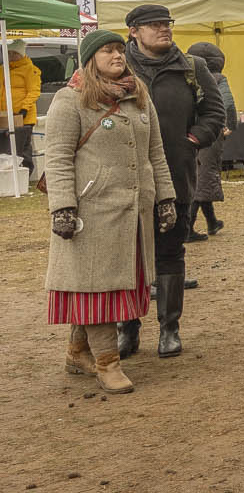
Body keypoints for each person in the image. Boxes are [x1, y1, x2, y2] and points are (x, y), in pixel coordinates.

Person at [43, 29, 178, 395]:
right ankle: (107, 363)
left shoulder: (138, 97)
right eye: (107, 51)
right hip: (91, 213)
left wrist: (165, 197)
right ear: (90, 59)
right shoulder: (69, 100)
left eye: (120, 50)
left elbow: (156, 153)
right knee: (94, 288)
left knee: (107, 287)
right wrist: (63, 208)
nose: (118, 56)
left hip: (134, 211)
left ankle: (77, 352)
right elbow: (56, 159)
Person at [118, 3, 226, 360]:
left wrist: (192, 140)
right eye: (153, 25)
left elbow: (214, 111)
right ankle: (127, 329)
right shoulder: (116, 66)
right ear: (133, 31)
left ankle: (169, 329)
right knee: (127, 256)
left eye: (167, 23)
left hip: (176, 174)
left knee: (169, 253)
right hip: (124, 180)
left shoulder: (190, 67)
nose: (164, 29)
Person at [183, 42, 236, 240]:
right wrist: (230, 124)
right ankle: (188, 229)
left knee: (198, 176)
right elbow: (228, 104)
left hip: (191, 133)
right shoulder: (218, 79)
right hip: (209, 134)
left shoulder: (187, 77)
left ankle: (212, 221)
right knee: (203, 178)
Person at [7, 40, 38, 180]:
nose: (11, 56)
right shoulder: (4, 69)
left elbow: (34, 91)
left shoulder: (30, 69)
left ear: (21, 54)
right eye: (9, 53)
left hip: (23, 116)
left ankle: (26, 173)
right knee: (8, 147)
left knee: (23, 148)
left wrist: (24, 109)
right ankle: (11, 175)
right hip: (6, 116)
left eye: (14, 53)